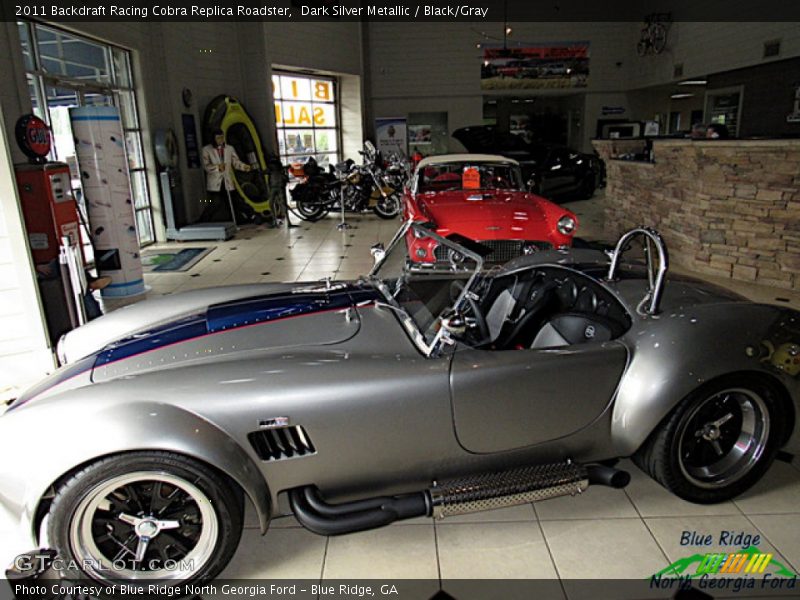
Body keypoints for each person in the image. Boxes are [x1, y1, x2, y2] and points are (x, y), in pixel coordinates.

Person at [200, 128, 252, 222]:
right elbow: (206, 166)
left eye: (222, 137)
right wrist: (217, 168)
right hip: (215, 182)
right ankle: (204, 220)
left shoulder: (229, 149)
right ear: (214, 139)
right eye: (218, 138)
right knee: (214, 203)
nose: (221, 140)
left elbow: (235, 162)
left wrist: (244, 167)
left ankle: (240, 219)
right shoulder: (206, 150)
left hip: (227, 181)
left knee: (234, 200)